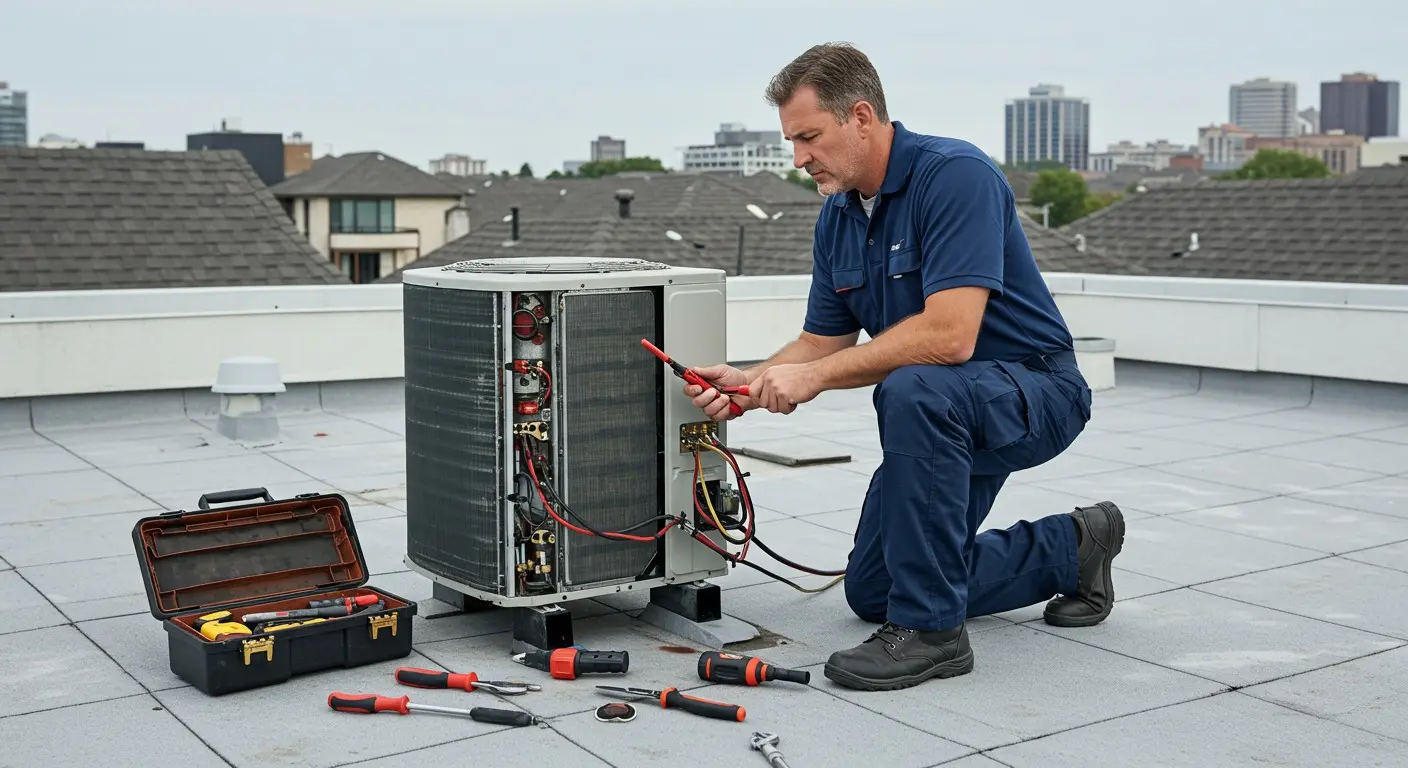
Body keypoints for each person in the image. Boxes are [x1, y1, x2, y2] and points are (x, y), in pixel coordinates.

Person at [681, 42, 1126, 693]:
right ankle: (1076, 546)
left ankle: (933, 632)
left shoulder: (955, 176)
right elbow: (822, 340)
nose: (798, 157)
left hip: (1034, 391)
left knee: (914, 387)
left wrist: (814, 380)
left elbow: (951, 336)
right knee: (874, 589)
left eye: (809, 137)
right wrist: (749, 384)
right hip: (947, 411)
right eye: (791, 141)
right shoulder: (838, 217)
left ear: (861, 117)